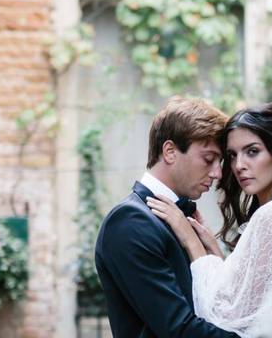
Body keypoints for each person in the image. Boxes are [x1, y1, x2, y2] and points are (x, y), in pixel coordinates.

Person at [148, 103, 272, 338]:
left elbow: (228, 316)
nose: (239, 165)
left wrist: (192, 243)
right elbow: (250, 298)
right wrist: (214, 251)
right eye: (232, 155)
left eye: (252, 151)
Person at [94, 97, 240, 338]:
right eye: (208, 159)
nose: (217, 173)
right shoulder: (130, 221)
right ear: (170, 151)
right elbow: (177, 328)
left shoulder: (183, 219)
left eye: (220, 162)